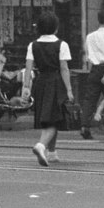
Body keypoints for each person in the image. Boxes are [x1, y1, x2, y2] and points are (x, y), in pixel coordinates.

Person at [24, 10, 72, 167]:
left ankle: (52, 153)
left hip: (40, 82)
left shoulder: (33, 45)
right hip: (56, 82)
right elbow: (64, 68)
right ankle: (41, 146)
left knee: (50, 118)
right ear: (56, 28)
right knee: (54, 119)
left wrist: (26, 87)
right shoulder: (62, 45)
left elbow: (28, 67)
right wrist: (69, 90)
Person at [80, 10, 104, 139]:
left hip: (94, 69)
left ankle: (85, 126)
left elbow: (87, 54)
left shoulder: (90, 36)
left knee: (90, 99)